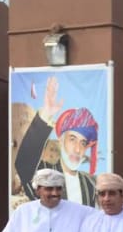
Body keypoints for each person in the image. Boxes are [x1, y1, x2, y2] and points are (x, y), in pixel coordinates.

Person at [14, 76, 99, 206]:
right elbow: (23, 164)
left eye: (83, 143)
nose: (78, 149)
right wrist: (46, 114)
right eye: (72, 139)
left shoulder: (91, 184)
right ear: (61, 140)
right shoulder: (44, 174)